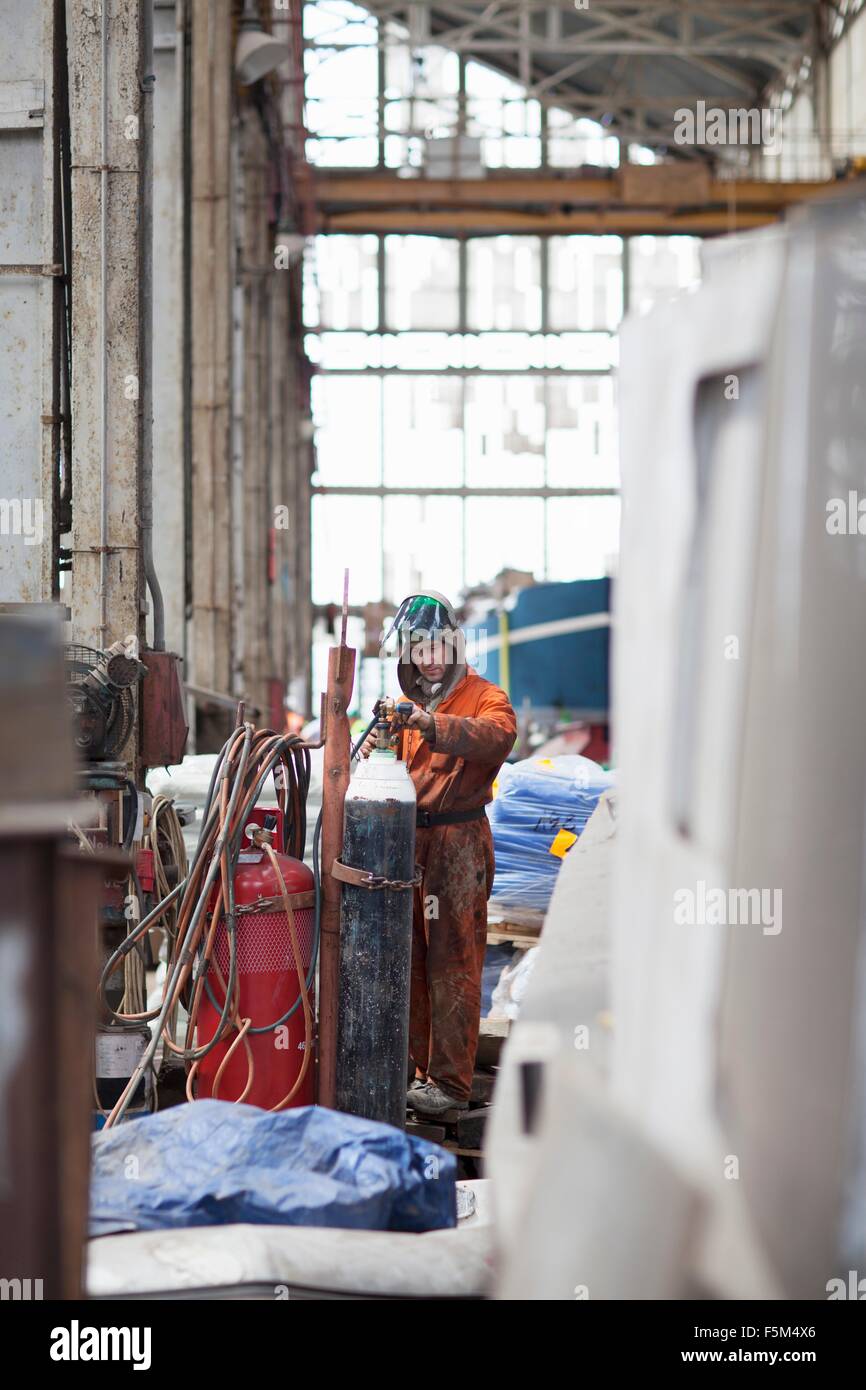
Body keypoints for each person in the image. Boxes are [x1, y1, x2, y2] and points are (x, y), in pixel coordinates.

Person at [364, 592, 516, 1118]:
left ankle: (450, 1087)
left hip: (459, 845)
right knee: (411, 959)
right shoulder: (408, 705)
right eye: (419, 647)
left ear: (454, 646)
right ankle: (416, 1072)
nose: (429, 656)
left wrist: (432, 727)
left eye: (438, 646)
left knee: (453, 964)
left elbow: (499, 737)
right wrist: (376, 748)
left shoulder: (483, 696)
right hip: (412, 844)